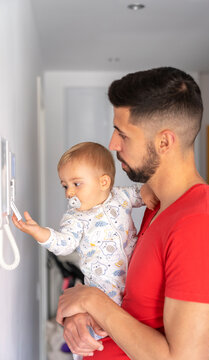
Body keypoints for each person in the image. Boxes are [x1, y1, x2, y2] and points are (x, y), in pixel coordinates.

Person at [56, 67, 209, 360]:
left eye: (123, 134)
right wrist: (83, 319)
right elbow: (132, 309)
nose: (112, 144)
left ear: (164, 142)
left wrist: (92, 301)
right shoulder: (159, 206)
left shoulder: (199, 226)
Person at [12, 142, 157, 348]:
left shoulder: (121, 196)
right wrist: (39, 232)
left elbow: (142, 193)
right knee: (100, 329)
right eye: (65, 185)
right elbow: (64, 244)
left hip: (135, 274)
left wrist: (148, 193)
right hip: (103, 288)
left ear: (103, 182)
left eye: (76, 184)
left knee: (134, 322)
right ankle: (84, 348)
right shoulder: (75, 218)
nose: (69, 193)